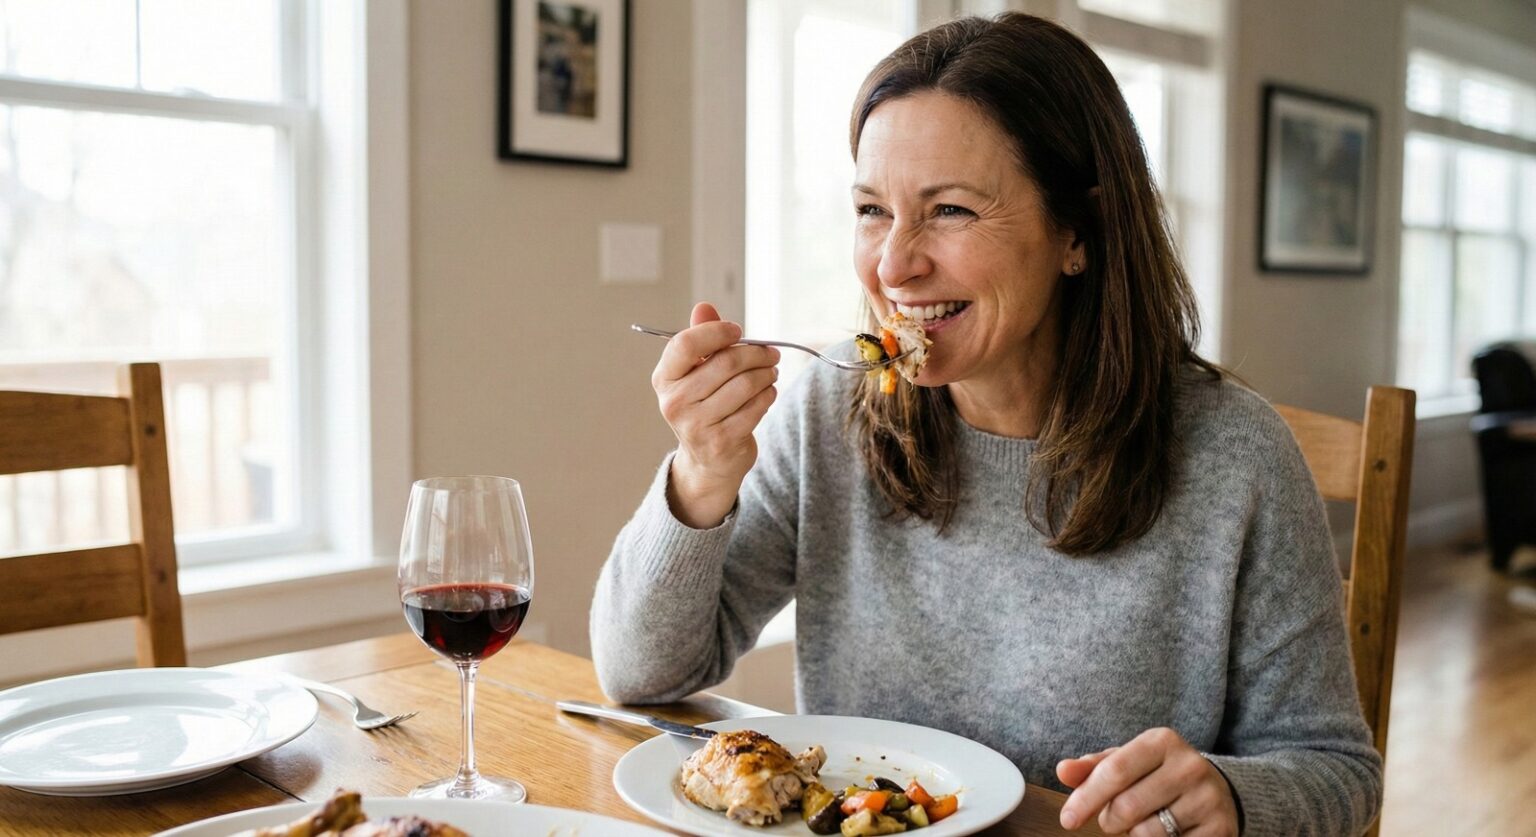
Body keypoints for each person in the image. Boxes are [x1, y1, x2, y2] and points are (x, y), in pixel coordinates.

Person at [591, 13, 1381, 837]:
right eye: (871, 209)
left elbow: (1337, 770)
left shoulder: (1236, 456)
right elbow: (642, 674)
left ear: (1078, 231)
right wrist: (702, 475)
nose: (894, 265)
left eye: (951, 211)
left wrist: (1231, 795)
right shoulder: (832, 410)